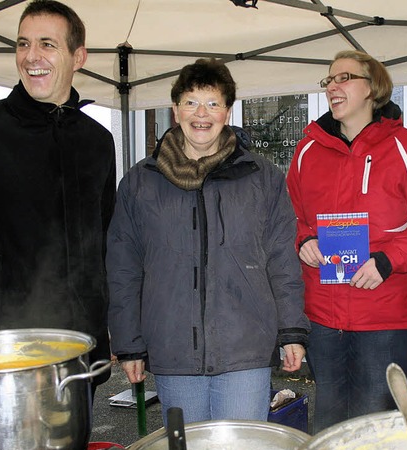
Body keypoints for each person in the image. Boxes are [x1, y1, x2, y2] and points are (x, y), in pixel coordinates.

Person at [106, 58, 309, 426]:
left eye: (213, 103)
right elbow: (123, 268)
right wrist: (129, 343)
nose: (202, 114)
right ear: (175, 110)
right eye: (191, 102)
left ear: (227, 112)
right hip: (172, 347)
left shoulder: (262, 177)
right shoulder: (140, 183)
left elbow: (282, 258)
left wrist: (291, 330)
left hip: (245, 346)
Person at [0, 0, 116, 388]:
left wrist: (105, 330)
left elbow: (101, 242)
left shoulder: (98, 142)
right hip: (2, 350)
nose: (31, 56)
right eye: (22, 43)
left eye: (47, 44)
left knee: (74, 448)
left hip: (82, 351)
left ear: (78, 56)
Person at [286, 50, 407, 433]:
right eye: (328, 80)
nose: (333, 87)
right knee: (329, 425)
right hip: (324, 316)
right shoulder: (307, 150)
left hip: (387, 317)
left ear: (373, 88)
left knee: (377, 427)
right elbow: (289, 218)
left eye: (344, 78)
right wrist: (304, 239)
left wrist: (387, 260)